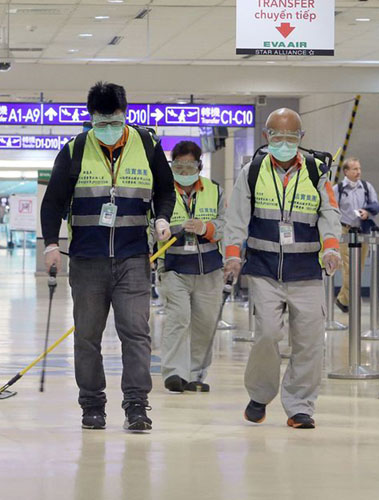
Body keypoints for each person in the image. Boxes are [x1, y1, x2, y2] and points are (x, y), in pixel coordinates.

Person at [40, 82, 175, 432]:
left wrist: (161, 217)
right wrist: (51, 245)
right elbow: (53, 201)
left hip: (133, 257)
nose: (109, 129)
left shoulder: (146, 145)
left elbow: (165, 189)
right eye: (101, 122)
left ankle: (136, 405)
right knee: (87, 336)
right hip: (87, 259)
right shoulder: (74, 150)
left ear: (124, 114)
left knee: (135, 332)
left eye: (114, 121)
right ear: (91, 119)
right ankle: (92, 405)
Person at [223, 108, 341, 430]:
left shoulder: (318, 172)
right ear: (267, 137)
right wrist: (232, 256)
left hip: (305, 271)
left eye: (292, 137)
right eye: (278, 136)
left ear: (301, 139)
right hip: (264, 270)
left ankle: (300, 406)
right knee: (268, 334)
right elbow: (236, 221)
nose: (285, 143)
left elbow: (329, 213)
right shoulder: (252, 172)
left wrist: (331, 247)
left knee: (309, 340)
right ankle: (260, 395)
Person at [158, 141, 226, 393]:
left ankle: (196, 373)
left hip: (209, 268)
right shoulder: (162, 191)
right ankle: (174, 372)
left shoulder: (214, 190)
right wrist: (170, 230)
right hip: (174, 267)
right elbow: (151, 226)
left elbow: (225, 224)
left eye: (189, 166)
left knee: (205, 322)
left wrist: (206, 228)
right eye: (179, 166)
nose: (184, 171)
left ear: (199, 165)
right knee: (179, 318)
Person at [333, 157, 379, 313]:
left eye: (359, 168)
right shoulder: (338, 189)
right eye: (354, 169)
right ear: (346, 171)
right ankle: (353, 299)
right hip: (345, 231)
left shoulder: (366, 187)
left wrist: (367, 212)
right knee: (348, 268)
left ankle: (342, 299)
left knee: (358, 268)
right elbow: (331, 209)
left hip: (363, 231)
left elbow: (376, 205)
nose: (358, 172)